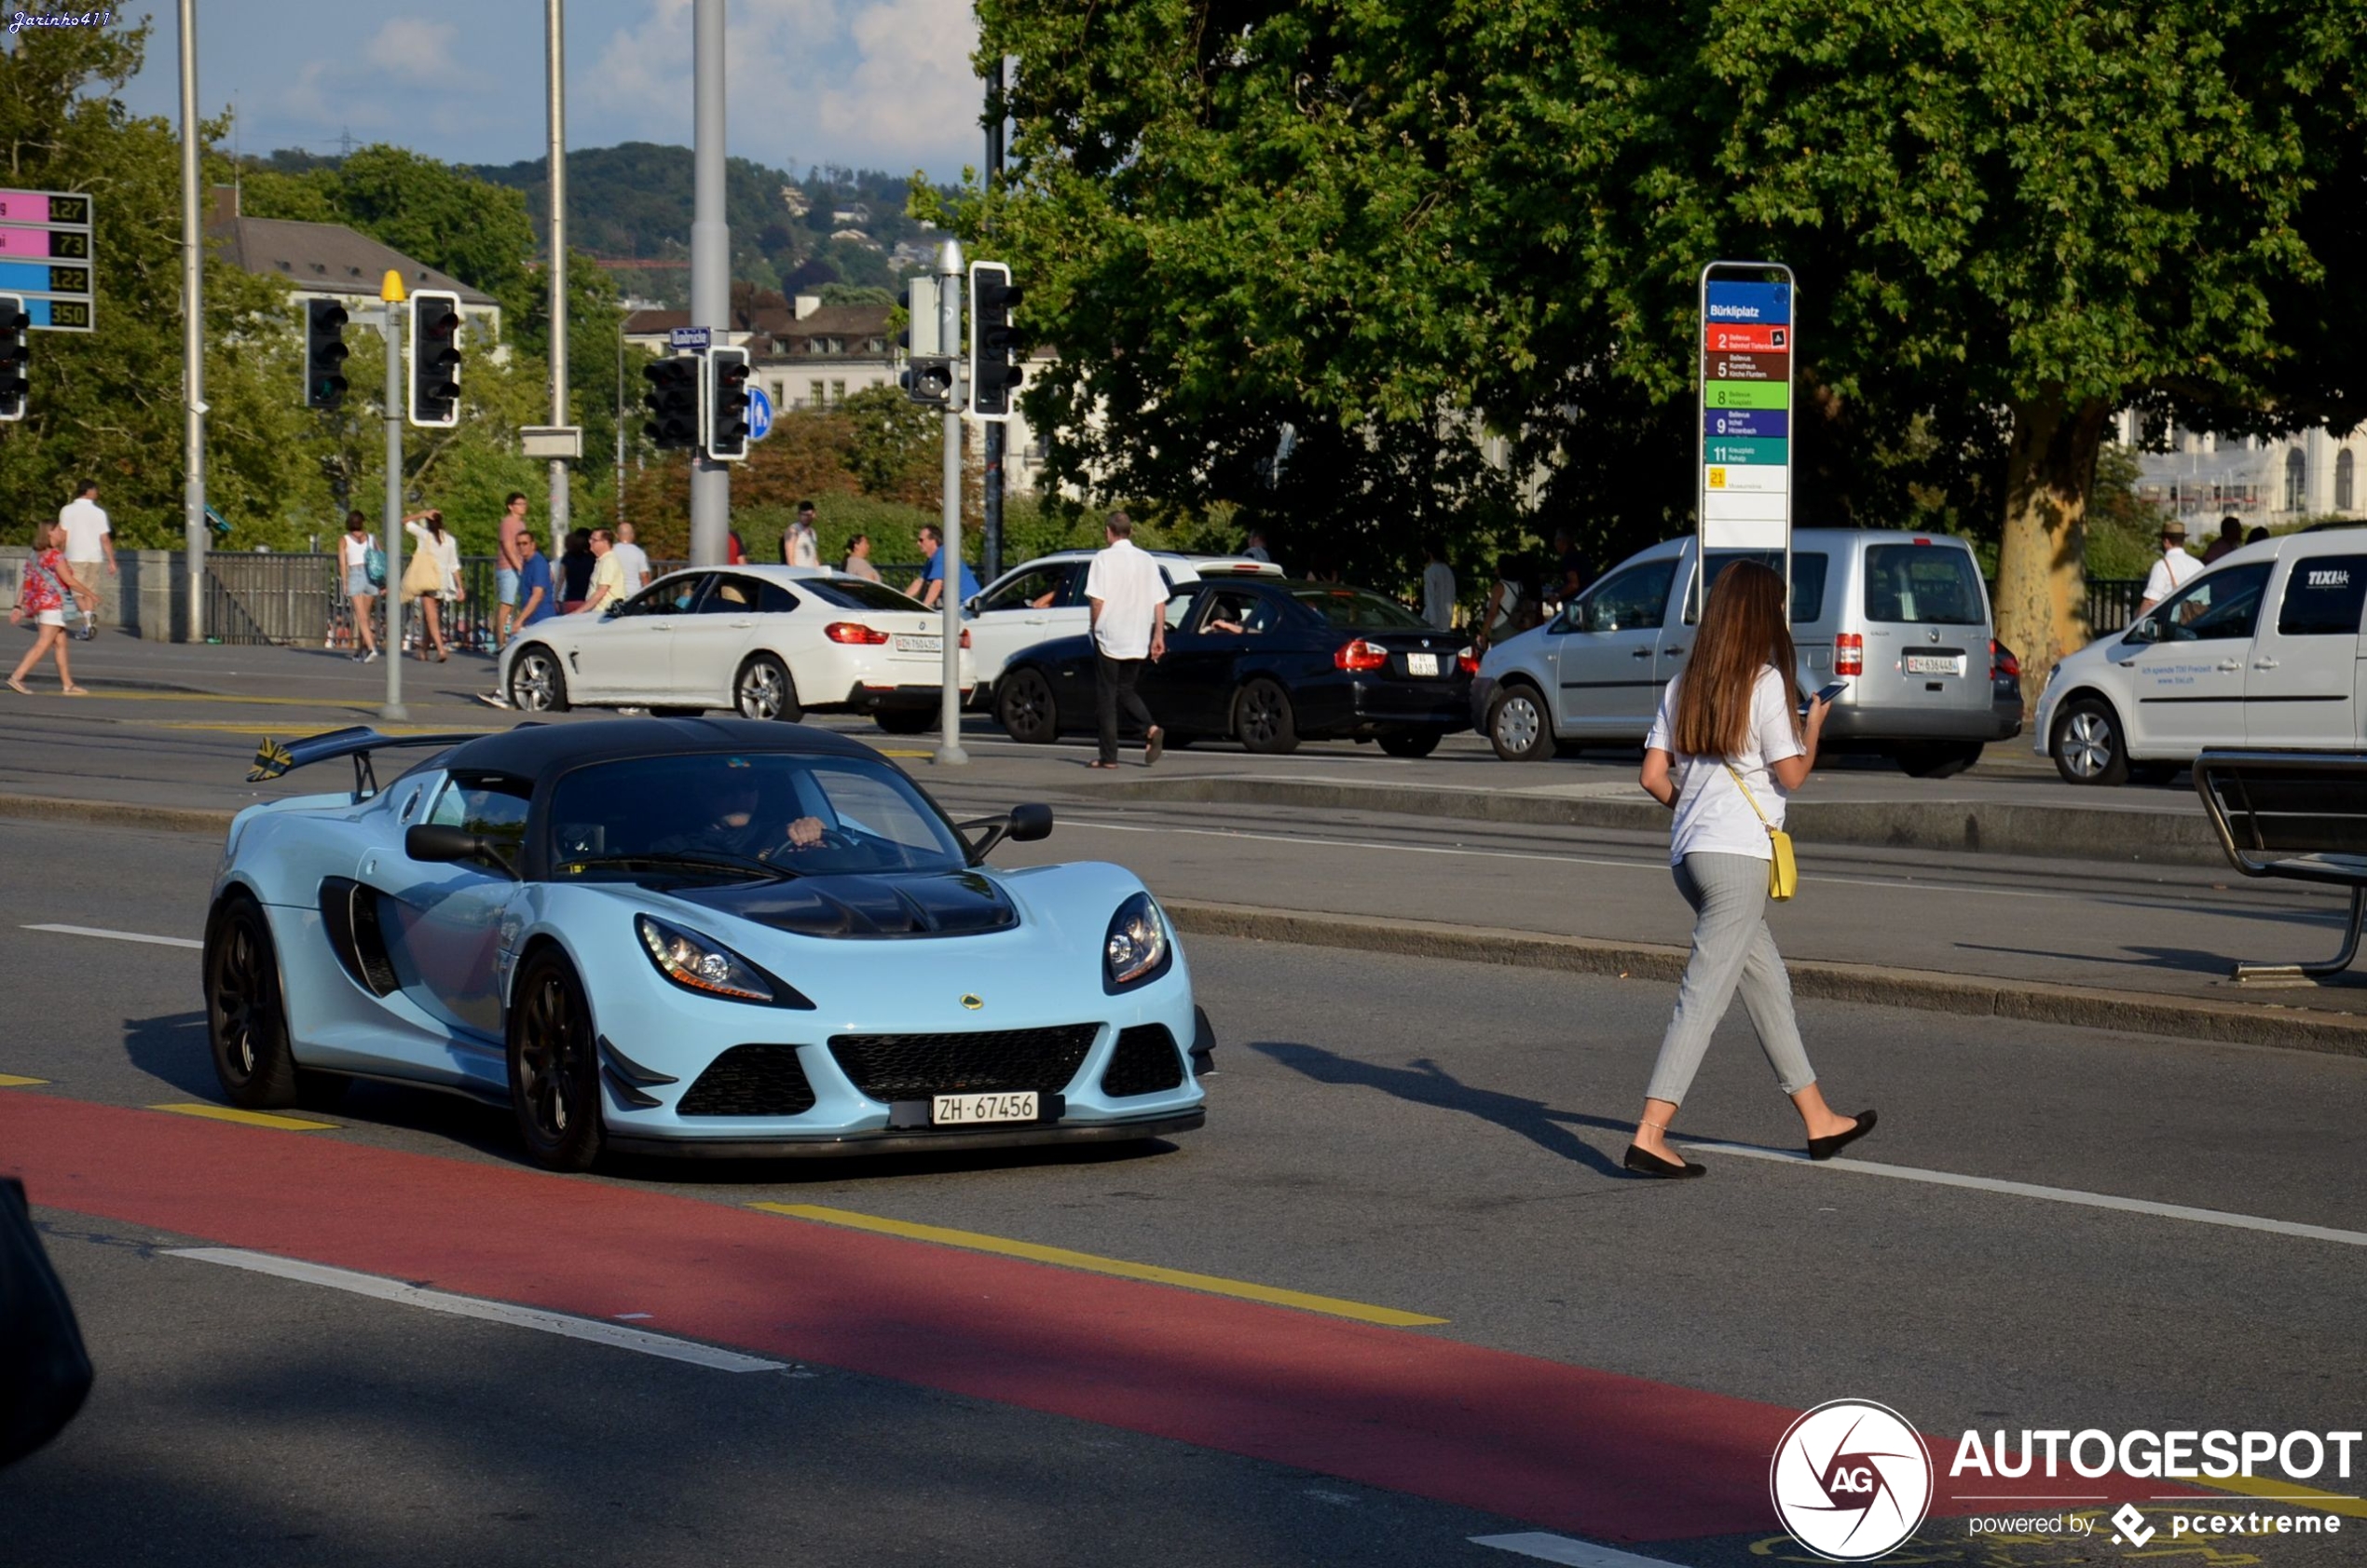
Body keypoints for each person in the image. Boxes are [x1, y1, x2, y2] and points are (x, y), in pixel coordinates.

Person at [1624, 561, 1871, 1179]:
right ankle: (1650, 1132)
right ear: (1761, 614)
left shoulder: (1685, 682)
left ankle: (1818, 1119)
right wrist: (1812, 727)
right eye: (1778, 607)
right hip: (1736, 861)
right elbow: (1791, 776)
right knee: (1703, 995)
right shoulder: (1763, 683)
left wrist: (1700, 814)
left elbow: (1653, 776)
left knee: (1766, 985)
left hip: (1690, 856)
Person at [1085, 511, 1167, 770]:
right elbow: (1159, 600)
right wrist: (1158, 635)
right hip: (1138, 634)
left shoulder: (1103, 559)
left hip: (1110, 634)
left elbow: (1097, 599)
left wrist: (1095, 626)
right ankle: (1150, 728)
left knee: (1107, 696)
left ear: (1108, 532)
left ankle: (1109, 757)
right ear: (1130, 532)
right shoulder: (1147, 560)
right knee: (1126, 689)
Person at [659, 768, 828, 862]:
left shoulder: (784, 835)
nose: (739, 796)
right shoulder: (673, 849)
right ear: (701, 792)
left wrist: (815, 843)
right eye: (724, 787)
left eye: (749, 785)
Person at [8, 523, 93, 695]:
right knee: (43, 644)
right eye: (58, 529)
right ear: (49, 533)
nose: (62, 532)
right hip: (53, 605)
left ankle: (67, 684)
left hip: (40, 605)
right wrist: (90, 594)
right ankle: (17, 677)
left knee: (61, 643)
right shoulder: (55, 556)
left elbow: (26, 583)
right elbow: (69, 581)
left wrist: (18, 606)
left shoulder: (34, 555)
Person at [475, 533, 554, 708]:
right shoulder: (528, 563)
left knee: (512, 655)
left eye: (525, 543)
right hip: (532, 619)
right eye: (518, 544)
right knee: (522, 658)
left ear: (533, 544)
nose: (522, 548)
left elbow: (538, 595)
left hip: (540, 619)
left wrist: (519, 620)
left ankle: (507, 695)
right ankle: (510, 693)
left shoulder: (538, 563)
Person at [402, 510, 464, 661]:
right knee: (430, 616)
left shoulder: (425, 536)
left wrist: (422, 514)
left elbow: (404, 521)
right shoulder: (449, 540)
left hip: (427, 579)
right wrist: (459, 587)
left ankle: (441, 648)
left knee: (431, 616)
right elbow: (454, 565)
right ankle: (423, 650)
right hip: (443, 581)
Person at [58, 481, 116, 633]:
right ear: (88, 491)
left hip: (74, 555)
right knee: (90, 590)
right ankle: (88, 624)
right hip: (94, 556)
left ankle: (87, 616)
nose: (97, 493)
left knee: (77, 591)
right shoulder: (99, 513)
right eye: (95, 490)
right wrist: (111, 561)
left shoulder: (67, 510)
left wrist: (59, 555)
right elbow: (105, 539)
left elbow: (63, 535)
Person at [1474, 555, 1543, 654]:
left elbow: (1492, 613)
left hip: (1501, 630)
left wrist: (1483, 633)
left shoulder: (1499, 587)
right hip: (1516, 627)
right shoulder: (1519, 585)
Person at [2135, 518, 2202, 618]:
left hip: (2172, 626)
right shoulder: (2198, 565)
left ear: (2166, 541)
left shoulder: (2162, 566)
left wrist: (2136, 624)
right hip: (2197, 623)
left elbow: (2150, 602)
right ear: (2183, 540)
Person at [338, 511, 381, 662]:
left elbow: (343, 563)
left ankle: (371, 648)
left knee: (361, 617)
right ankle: (361, 650)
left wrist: (345, 582)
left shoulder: (344, 540)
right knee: (366, 616)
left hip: (355, 574)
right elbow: (380, 557)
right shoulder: (371, 538)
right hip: (370, 575)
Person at [907, 524, 981, 609]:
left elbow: (937, 584)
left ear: (933, 541)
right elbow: (919, 581)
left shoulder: (942, 555)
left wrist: (923, 608)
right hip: (958, 604)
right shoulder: (933, 559)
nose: (918, 543)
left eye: (921, 540)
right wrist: (902, 600)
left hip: (966, 606)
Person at [493, 492, 530, 649]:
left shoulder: (521, 524)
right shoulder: (507, 523)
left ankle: (512, 639)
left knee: (520, 604)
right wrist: (519, 567)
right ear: (511, 506)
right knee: (506, 605)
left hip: (519, 566)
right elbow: (508, 547)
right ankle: (500, 643)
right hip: (508, 567)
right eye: (519, 504)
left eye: (524, 504)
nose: (523, 507)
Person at [581, 527, 628, 613]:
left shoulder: (609, 561)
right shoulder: (602, 560)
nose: (590, 542)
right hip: (598, 614)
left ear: (605, 542)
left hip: (603, 615)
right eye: (590, 539)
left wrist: (579, 612)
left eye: (594, 540)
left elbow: (601, 592)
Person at [1421, 536, 1457, 630]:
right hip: (1446, 620)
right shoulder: (1448, 570)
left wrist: (1431, 623)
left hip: (1432, 621)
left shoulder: (1430, 571)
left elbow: (1430, 598)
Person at [558, 527, 595, 614]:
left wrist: (556, 597)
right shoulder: (593, 558)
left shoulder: (568, 556)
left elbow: (561, 578)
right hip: (587, 600)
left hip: (570, 599)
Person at [1552, 527, 1588, 609]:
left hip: (1577, 604)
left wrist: (1557, 595)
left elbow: (1574, 584)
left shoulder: (1569, 558)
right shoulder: (1580, 555)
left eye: (1556, 540)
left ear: (1563, 541)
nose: (1555, 544)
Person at [612, 522, 653, 592]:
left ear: (617, 535)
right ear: (633, 535)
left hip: (615, 592)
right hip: (634, 593)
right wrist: (650, 599)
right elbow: (644, 576)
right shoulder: (639, 553)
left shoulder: (610, 551)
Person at [782, 501, 821, 567]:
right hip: (799, 573)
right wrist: (795, 572)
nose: (805, 518)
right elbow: (790, 557)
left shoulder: (813, 532)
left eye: (808, 515)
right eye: (803, 515)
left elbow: (814, 557)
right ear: (799, 514)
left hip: (811, 573)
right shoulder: (793, 530)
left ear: (813, 515)